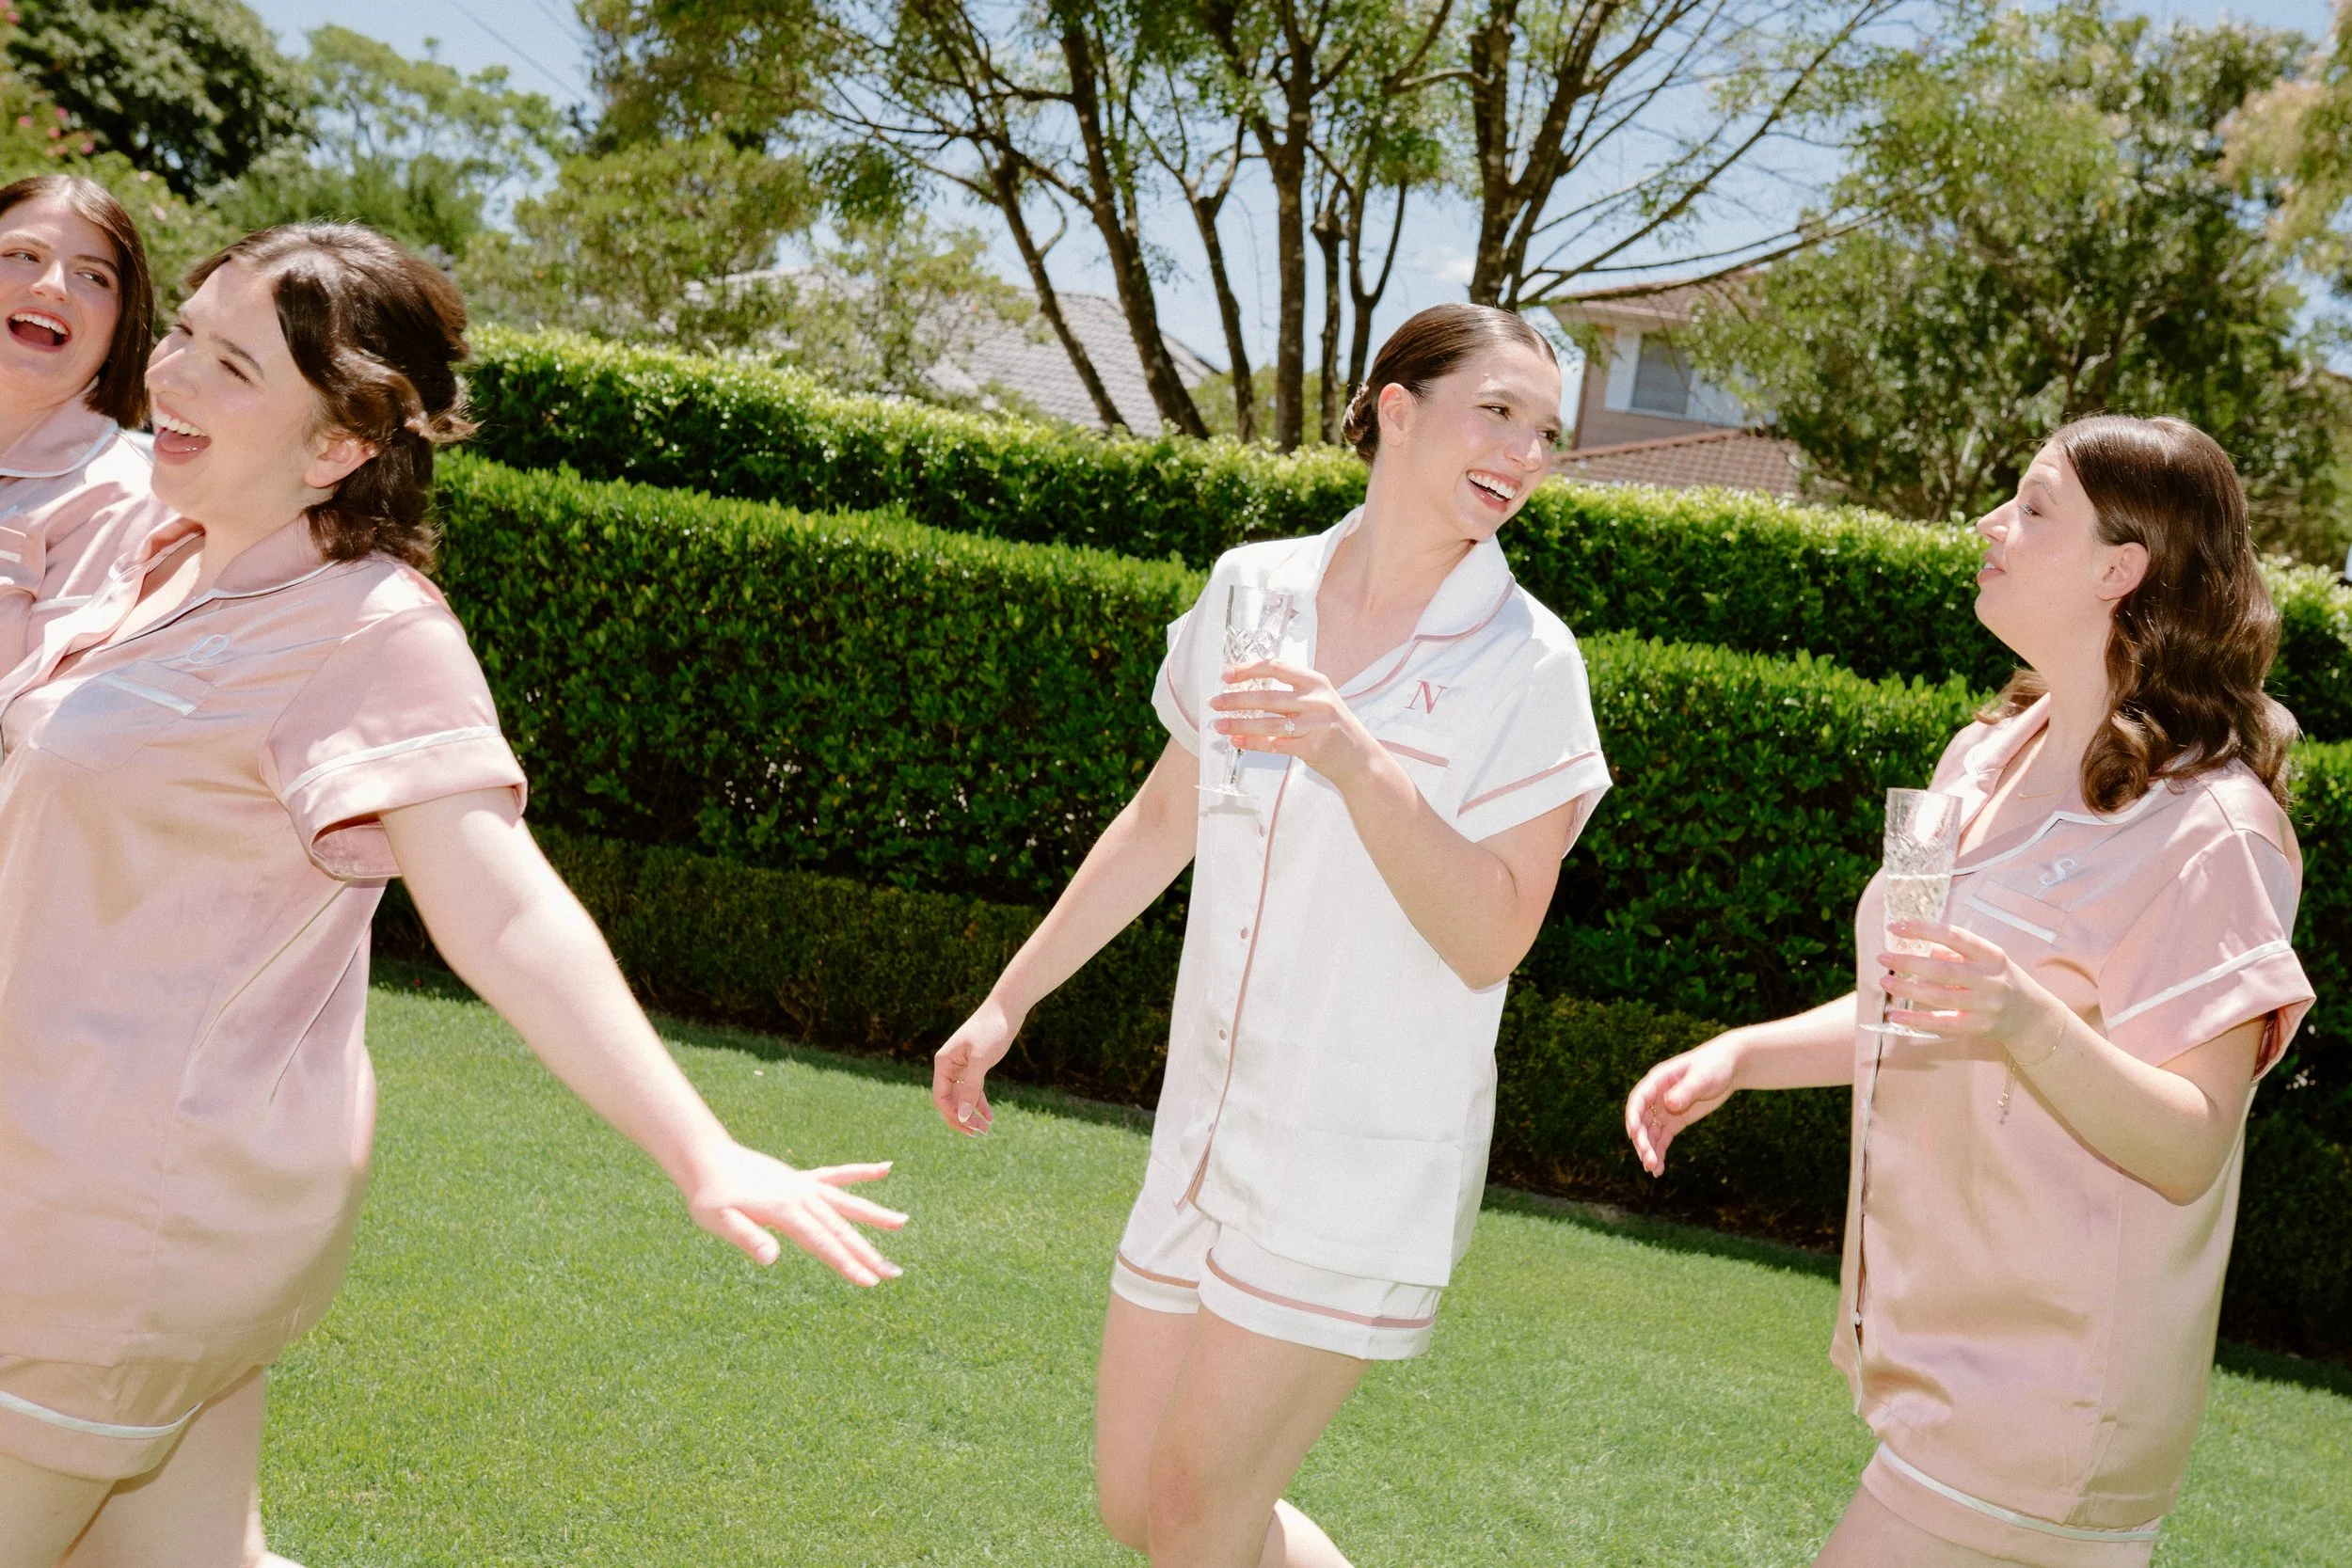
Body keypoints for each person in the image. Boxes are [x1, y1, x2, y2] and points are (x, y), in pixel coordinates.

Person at [0, 224, 907, 1568]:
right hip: (82, 1183)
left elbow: (507, 909)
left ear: (339, 442)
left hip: (111, 1221)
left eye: (232, 364)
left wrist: (701, 1146)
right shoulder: (160, 547)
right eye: (185, 329)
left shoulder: (371, 630)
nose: (173, 374)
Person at [933, 303, 1610, 1567]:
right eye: (1498, 412)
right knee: (1143, 1507)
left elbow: (1493, 935)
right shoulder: (1257, 589)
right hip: (1204, 1129)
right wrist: (1008, 999)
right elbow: (1159, 819)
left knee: (1199, 1522)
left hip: (1354, 1161)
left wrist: (1354, 756)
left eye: (1547, 432)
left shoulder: (1529, 666)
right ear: (1395, 410)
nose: (1523, 453)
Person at [1625, 416, 2313, 1568]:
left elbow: (2192, 1140)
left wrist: (2022, 1016)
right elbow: (1921, 999)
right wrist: (1745, 1055)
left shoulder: (2215, 829)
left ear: (2119, 567)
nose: (1991, 523)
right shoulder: (1980, 755)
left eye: (2033, 505)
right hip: (1934, 1353)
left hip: (2052, 1387)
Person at [0, 174, 165, 668]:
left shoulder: (129, 507)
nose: (51, 287)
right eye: (22, 255)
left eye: (93, 276)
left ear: (122, 325)